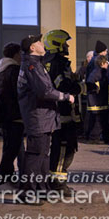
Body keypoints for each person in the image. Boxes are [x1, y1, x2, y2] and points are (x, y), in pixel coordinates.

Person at [17, 34, 75, 202]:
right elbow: (44, 91)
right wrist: (65, 96)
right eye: (38, 42)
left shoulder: (36, 64)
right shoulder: (32, 66)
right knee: (35, 156)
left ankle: (43, 190)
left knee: (43, 156)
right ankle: (27, 193)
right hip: (38, 117)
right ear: (32, 48)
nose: (42, 44)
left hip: (44, 117)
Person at [42, 29, 81, 196]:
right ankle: (56, 184)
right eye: (64, 43)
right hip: (62, 114)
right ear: (57, 44)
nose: (67, 46)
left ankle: (59, 182)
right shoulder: (57, 63)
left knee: (66, 148)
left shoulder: (55, 62)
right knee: (62, 149)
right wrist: (82, 87)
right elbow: (63, 86)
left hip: (63, 112)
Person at [0, 42, 24, 188]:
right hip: (14, 115)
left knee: (10, 147)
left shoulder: (2, 69)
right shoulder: (14, 70)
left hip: (5, 115)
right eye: (20, 53)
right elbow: (19, 93)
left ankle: (9, 177)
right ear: (16, 54)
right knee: (11, 149)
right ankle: (3, 179)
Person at [85, 55, 109, 144]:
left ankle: (105, 137)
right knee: (98, 121)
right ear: (102, 63)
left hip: (99, 100)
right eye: (106, 62)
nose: (107, 64)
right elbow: (90, 84)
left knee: (102, 120)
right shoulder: (97, 73)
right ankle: (93, 138)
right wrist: (97, 88)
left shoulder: (98, 72)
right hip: (97, 101)